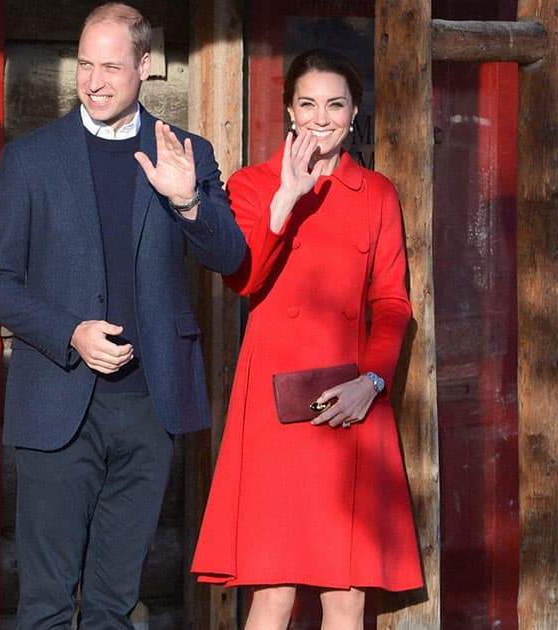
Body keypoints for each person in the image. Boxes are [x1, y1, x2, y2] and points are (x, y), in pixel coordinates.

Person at [0, 3, 246, 628]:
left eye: (112, 67)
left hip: (150, 406)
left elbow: (230, 256)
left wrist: (187, 201)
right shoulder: (31, 159)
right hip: (57, 401)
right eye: (85, 65)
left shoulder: (188, 155)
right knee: (43, 606)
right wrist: (68, 332)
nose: (94, 81)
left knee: (112, 607)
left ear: (146, 67)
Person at [191, 48, 423, 628]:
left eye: (335, 105)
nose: (322, 118)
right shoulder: (251, 185)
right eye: (308, 104)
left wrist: (370, 383)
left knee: (345, 593)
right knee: (273, 591)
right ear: (290, 113)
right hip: (274, 409)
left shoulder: (376, 195)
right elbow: (242, 280)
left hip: (351, 404)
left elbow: (392, 303)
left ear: (353, 114)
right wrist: (287, 196)